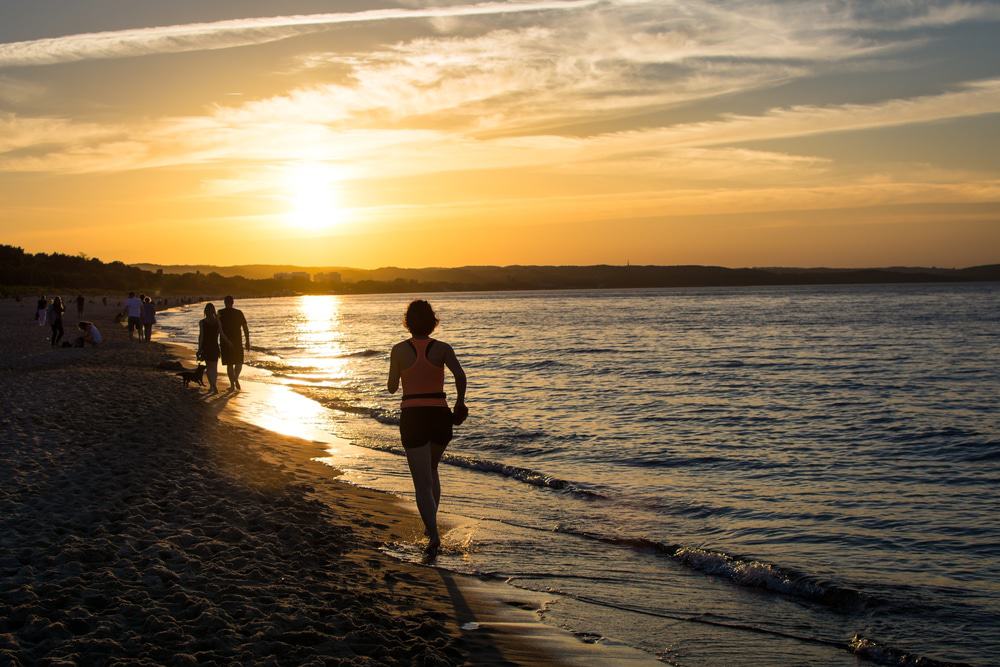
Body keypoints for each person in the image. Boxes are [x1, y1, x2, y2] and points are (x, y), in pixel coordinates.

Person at [387, 300, 467, 555]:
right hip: (440, 415)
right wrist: (459, 405)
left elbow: (391, 387)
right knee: (432, 470)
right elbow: (460, 376)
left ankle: (433, 536)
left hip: (414, 416)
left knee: (421, 482)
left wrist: (402, 371)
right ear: (432, 322)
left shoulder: (398, 350)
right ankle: (431, 524)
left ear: (408, 322)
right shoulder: (442, 348)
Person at [218, 295, 250, 392]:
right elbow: (245, 328)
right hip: (237, 341)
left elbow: (218, 329)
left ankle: (232, 385)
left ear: (224, 302)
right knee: (239, 362)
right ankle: (235, 379)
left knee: (230, 364)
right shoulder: (239, 313)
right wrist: (247, 341)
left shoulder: (220, 313)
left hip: (225, 342)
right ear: (233, 302)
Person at [197, 303, 229, 395]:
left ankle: (212, 386)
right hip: (215, 347)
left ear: (205, 311)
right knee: (214, 368)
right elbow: (222, 334)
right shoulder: (217, 322)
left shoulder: (202, 322)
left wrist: (199, 349)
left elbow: (201, 336)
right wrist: (229, 343)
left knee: (208, 368)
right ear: (213, 311)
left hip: (206, 347)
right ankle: (213, 385)